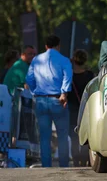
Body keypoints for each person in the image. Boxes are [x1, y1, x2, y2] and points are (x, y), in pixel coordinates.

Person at [26, 35, 73, 168]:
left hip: (41, 101)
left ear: (46, 46)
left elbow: (29, 79)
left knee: (44, 137)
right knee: (62, 136)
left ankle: (46, 166)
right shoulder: (64, 60)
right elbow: (67, 77)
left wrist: (35, 92)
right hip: (58, 100)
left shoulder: (36, 60)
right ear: (58, 45)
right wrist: (64, 93)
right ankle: (64, 166)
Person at [68, 49, 95, 167]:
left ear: (73, 60)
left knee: (73, 137)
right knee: (85, 135)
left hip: (72, 109)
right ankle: (85, 160)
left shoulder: (69, 75)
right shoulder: (89, 75)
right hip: (86, 109)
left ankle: (75, 162)